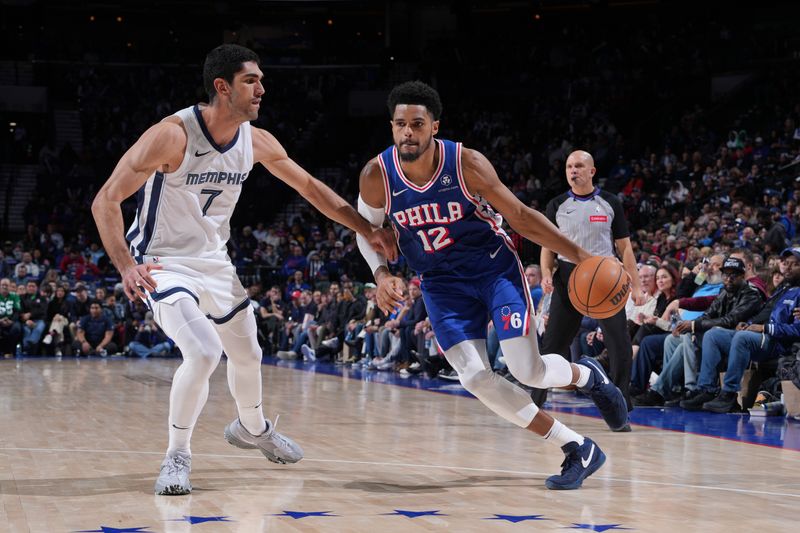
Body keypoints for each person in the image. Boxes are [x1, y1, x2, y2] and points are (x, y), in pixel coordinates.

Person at [91, 44, 396, 496]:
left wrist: (365, 229)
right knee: (201, 352)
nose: (261, 88)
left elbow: (311, 188)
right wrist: (126, 265)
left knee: (249, 355)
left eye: (261, 80)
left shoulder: (256, 140)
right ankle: (178, 455)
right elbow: (106, 200)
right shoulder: (172, 135)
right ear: (222, 87)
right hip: (163, 261)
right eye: (250, 80)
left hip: (215, 261)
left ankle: (253, 428)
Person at [356, 81, 627, 490]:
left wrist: (581, 256)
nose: (407, 132)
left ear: (434, 127)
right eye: (399, 124)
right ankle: (577, 446)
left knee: (528, 370)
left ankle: (588, 376)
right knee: (474, 377)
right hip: (440, 283)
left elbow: (519, 214)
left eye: (416, 123)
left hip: (492, 270)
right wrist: (380, 274)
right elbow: (366, 231)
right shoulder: (377, 175)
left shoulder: (466, 163)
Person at [532, 150, 644, 414]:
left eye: (579, 166)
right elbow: (548, 244)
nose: (573, 170)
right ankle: (536, 400)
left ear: (592, 171)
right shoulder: (557, 204)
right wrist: (547, 272)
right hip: (568, 276)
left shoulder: (610, 202)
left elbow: (625, 248)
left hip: (604, 276)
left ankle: (620, 401)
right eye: (570, 166)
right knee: (553, 344)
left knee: (618, 341)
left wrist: (637, 286)